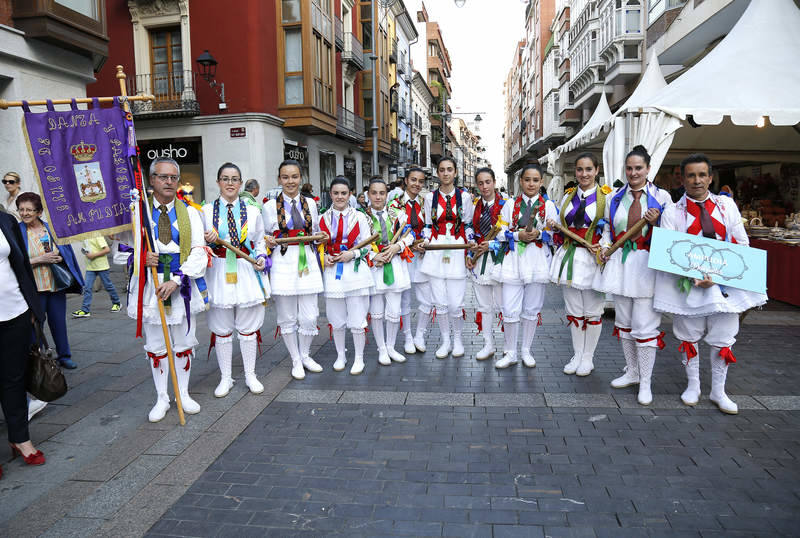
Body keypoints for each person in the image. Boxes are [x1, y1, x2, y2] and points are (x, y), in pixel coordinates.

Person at [653, 154, 767, 414]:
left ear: (710, 177)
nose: (697, 180)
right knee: (688, 336)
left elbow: (742, 243)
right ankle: (693, 385)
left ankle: (719, 390)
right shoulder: (672, 212)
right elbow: (670, 251)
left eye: (702, 175)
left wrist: (719, 274)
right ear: (682, 179)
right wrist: (693, 275)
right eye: (691, 175)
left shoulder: (728, 207)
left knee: (723, 338)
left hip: (725, 286)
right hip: (689, 285)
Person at [128, 157, 209, 422]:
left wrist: (177, 280)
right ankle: (162, 397)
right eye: (163, 177)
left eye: (173, 177)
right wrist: (141, 257)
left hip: (180, 283)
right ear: (151, 180)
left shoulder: (191, 212)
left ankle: (182, 393)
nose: (169, 182)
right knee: (156, 345)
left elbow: (199, 251)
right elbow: (121, 248)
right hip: (151, 285)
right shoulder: (137, 213)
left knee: (183, 341)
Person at [594, 146, 672, 405]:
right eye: (629, 168)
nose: (633, 172)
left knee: (646, 326)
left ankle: (646, 382)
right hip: (621, 265)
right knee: (624, 322)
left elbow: (673, 233)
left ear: (648, 169)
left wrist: (658, 221)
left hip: (647, 265)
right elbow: (608, 231)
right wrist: (605, 248)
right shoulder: (616, 196)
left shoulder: (662, 197)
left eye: (638, 168)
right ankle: (633, 371)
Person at [202, 163, 269, 398]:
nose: (230, 183)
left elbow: (260, 241)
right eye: (225, 178)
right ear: (218, 182)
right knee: (221, 328)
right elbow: (198, 247)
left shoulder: (252, 211)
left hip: (245, 268)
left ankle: (250, 375)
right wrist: (207, 241)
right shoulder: (206, 211)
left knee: (248, 327)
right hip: (219, 270)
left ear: (241, 183)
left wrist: (261, 257)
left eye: (234, 179)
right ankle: (225, 378)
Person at [263, 160, 329, 380]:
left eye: (294, 176)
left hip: (307, 261)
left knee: (310, 316)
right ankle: (295, 359)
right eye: (285, 177)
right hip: (282, 263)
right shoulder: (269, 206)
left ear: (301, 178)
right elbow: (262, 237)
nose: (290, 181)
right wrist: (268, 242)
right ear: (279, 179)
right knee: (287, 316)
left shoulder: (310, 203)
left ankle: (306, 354)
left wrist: (322, 238)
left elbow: (317, 231)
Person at [547, 153, 608, 377]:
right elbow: (561, 226)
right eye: (580, 170)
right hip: (570, 257)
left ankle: (588, 357)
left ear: (596, 170)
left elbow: (609, 228)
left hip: (593, 259)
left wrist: (603, 245)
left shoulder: (605, 198)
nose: (584, 174)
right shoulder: (567, 197)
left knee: (592, 311)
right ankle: (577, 354)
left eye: (589, 169)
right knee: (573, 310)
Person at [493, 164, 558, 368]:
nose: (531, 184)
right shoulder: (510, 204)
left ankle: (526, 351)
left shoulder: (548, 206)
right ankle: (510, 352)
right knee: (510, 308)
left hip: (537, 260)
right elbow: (499, 231)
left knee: (532, 308)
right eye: (527, 179)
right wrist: (516, 235)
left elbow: (555, 234)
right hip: (513, 259)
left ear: (541, 182)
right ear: (520, 181)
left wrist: (539, 234)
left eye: (535, 180)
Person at [0, 210, 47, 474]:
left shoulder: (5, 220)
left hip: (15, 312)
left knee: (14, 379)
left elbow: (21, 266)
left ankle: (20, 438)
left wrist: (32, 308)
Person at [17, 192, 83, 370]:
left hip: (55, 285)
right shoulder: (16, 232)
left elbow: (67, 253)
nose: (24, 213)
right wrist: (40, 259)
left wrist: (60, 257)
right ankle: (35, 359)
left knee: (58, 322)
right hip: (34, 288)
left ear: (39, 211)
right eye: (21, 210)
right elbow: (16, 262)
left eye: (29, 210)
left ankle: (64, 356)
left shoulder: (52, 229)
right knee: (35, 326)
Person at [420, 157, 475, 359]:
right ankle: (445, 341)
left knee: (455, 302)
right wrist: (425, 241)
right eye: (442, 169)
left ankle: (458, 339)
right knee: (440, 301)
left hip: (457, 248)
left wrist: (470, 244)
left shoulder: (465, 197)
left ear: (455, 173)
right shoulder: (429, 198)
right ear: (437, 173)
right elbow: (427, 225)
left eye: (449, 169)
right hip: (435, 249)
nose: (445, 173)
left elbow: (468, 224)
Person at [318, 177, 373, 374]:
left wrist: (353, 253)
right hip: (333, 273)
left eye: (344, 193)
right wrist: (324, 257)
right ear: (330, 194)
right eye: (336, 193)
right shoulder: (321, 219)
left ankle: (359, 358)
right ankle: (341, 355)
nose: (340, 197)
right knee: (336, 318)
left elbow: (368, 247)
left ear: (350, 194)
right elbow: (317, 247)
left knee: (358, 319)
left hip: (356, 271)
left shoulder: (360, 217)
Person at [367, 177, 413, 365]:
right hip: (375, 268)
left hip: (394, 265)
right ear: (368, 195)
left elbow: (410, 235)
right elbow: (357, 242)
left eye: (382, 193)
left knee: (394, 311)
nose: (378, 197)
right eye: (374, 193)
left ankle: (392, 347)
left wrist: (398, 246)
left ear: (387, 194)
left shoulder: (396, 213)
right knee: (377, 313)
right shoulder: (361, 216)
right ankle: (381, 349)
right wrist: (372, 255)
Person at [389, 168, 432, 354]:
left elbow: (430, 227)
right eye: (413, 180)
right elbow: (393, 231)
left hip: (422, 255)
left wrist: (425, 242)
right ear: (406, 180)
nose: (417, 184)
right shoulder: (394, 204)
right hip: (403, 256)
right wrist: (409, 244)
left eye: (420, 181)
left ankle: (420, 335)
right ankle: (407, 337)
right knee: (404, 300)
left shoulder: (425, 203)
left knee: (427, 299)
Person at [465, 168, 506, 362]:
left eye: (488, 182)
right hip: (479, 258)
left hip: (500, 259)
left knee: (503, 305)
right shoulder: (475, 206)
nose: (484, 187)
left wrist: (492, 244)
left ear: (494, 182)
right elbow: (469, 227)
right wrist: (470, 245)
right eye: (480, 183)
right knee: (484, 306)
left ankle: (508, 345)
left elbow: (512, 234)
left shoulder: (506, 204)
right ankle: (488, 344)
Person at [71, 235, 121, 318]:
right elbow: (85, 249)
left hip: (102, 266)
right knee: (87, 288)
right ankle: (85, 310)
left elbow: (107, 249)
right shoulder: (84, 237)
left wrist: (93, 255)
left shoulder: (97, 235)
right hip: (90, 267)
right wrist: (85, 252)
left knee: (108, 286)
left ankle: (117, 303)